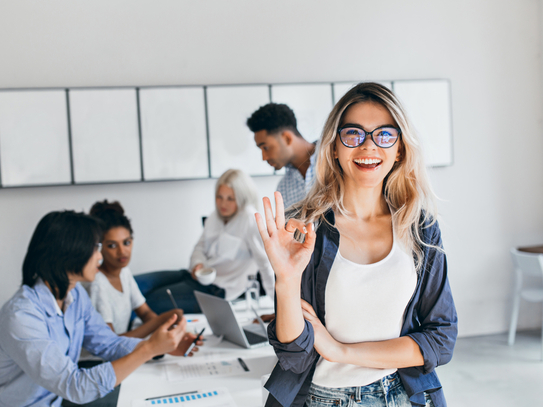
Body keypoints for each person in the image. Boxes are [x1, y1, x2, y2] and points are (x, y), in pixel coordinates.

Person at [255, 83, 457, 407]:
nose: (368, 146)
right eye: (353, 134)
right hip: (322, 398)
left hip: (403, 396)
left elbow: (441, 338)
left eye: (384, 135)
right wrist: (286, 279)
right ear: (334, 147)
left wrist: (341, 351)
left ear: (400, 149)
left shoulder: (420, 228)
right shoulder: (307, 229)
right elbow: (294, 356)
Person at [0, 211, 201, 407]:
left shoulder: (75, 295)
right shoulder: (21, 317)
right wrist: (148, 349)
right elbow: (74, 386)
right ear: (69, 253)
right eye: (95, 248)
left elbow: (110, 344)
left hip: (60, 398)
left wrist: (164, 347)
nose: (100, 257)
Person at [146, 169, 275, 314]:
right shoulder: (215, 216)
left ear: (242, 198)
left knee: (148, 302)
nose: (223, 204)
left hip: (215, 290)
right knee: (140, 285)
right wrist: (197, 265)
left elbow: (265, 264)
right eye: (219, 197)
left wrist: (278, 306)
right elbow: (199, 248)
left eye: (230, 198)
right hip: (195, 277)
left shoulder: (249, 219)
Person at [86, 200, 184, 337]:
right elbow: (109, 343)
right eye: (112, 246)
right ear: (99, 247)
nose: (122, 251)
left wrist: (166, 330)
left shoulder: (124, 272)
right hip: (100, 358)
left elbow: (144, 312)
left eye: (126, 243)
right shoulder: (97, 283)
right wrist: (159, 322)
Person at [247, 103, 317, 209]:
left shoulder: (336, 158)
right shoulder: (284, 188)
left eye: (265, 148)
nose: (264, 157)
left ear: (287, 138)